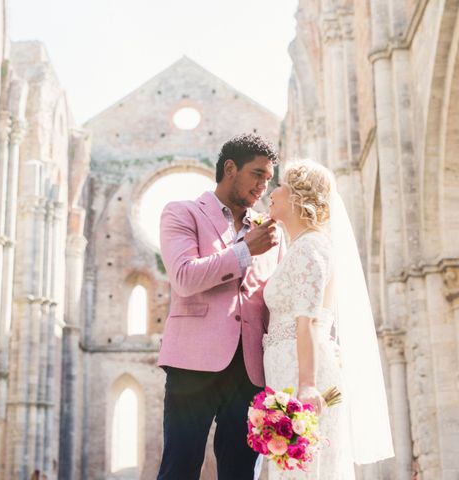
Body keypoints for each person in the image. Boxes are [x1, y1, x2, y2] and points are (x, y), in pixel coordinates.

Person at [157, 133, 285, 480]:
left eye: (268, 178)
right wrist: (245, 251)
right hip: (192, 363)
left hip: (249, 371)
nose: (263, 186)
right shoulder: (181, 213)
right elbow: (184, 277)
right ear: (230, 168)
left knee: (241, 473)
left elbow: (276, 298)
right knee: (179, 468)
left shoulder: (270, 231)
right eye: (257, 174)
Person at [263, 159, 394, 479]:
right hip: (286, 369)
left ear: (296, 196)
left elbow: (306, 319)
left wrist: (307, 386)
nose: (272, 191)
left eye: (279, 186)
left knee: (308, 470)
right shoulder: (298, 247)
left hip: (303, 373)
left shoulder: (311, 248)